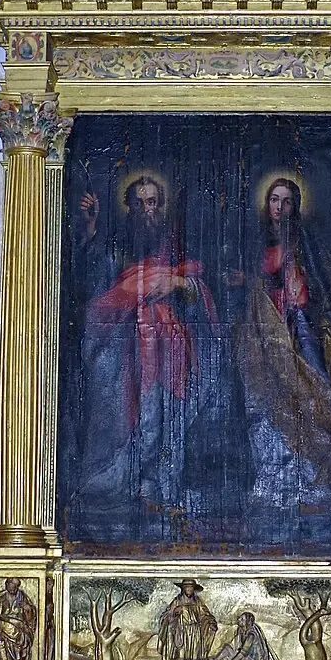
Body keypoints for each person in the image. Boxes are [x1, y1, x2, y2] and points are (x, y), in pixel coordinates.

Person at [65, 173, 218, 543]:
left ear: (161, 208)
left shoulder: (179, 250)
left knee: (170, 423)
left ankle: (162, 492)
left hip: (174, 354)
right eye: (139, 203)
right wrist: (87, 235)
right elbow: (91, 294)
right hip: (129, 356)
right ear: (128, 208)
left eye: (152, 203)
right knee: (140, 421)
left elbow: (208, 293)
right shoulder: (115, 250)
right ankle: (127, 491)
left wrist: (178, 284)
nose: (146, 210)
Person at [228, 176, 331, 547]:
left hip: (300, 334)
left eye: (287, 201)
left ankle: (319, 487)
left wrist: (303, 291)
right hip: (263, 339)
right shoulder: (253, 247)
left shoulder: (306, 246)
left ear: (296, 207)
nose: (280, 208)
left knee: (312, 402)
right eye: (274, 201)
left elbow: (330, 285)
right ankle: (276, 491)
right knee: (266, 412)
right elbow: (248, 287)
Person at [157, 579, 219, 660]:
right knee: (180, 659)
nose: (189, 589)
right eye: (187, 587)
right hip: (181, 632)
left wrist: (211, 622)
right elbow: (167, 616)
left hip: (195, 632)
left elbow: (206, 614)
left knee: (193, 659)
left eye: (191, 588)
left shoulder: (197, 601)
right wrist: (176, 612)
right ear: (183, 589)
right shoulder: (177, 601)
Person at [214, 608, 287, 660]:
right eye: (240, 618)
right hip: (247, 659)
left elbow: (242, 653)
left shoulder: (251, 635)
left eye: (242, 619)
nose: (239, 619)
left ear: (247, 622)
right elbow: (232, 645)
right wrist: (218, 659)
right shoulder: (241, 631)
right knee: (227, 649)